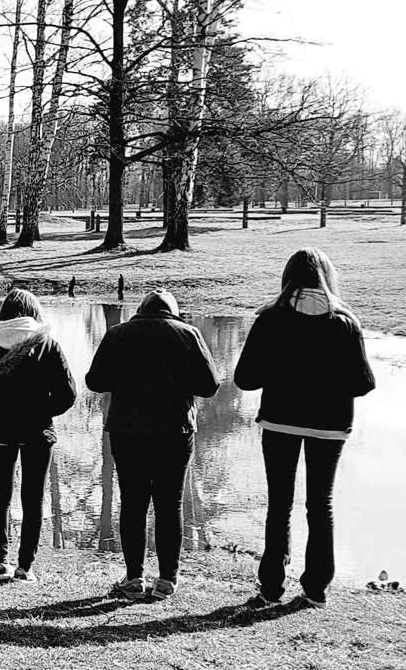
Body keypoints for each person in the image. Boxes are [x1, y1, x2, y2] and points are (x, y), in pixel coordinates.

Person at [233, 249, 376, 609]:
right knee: (320, 504)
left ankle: (270, 588)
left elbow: (245, 379)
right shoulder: (344, 321)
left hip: (280, 421)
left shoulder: (270, 319)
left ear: (288, 278)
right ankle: (315, 589)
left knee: (279, 504)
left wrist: (281, 372)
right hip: (329, 426)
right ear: (328, 277)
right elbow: (363, 383)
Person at [84, 289, 220, 600]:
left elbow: (95, 381)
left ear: (141, 310)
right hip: (175, 430)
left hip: (127, 429)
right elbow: (210, 386)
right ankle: (167, 579)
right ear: (172, 313)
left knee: (133, 502)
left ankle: (134, 577)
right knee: (169, 503)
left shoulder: (118, 334)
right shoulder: (189, 334)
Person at [0, 288, 78, 581]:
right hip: (38, 431)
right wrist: (41, 412)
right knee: (33, 498)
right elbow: (68, 393)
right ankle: (25, 567)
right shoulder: (46, 344)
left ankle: (0, 563)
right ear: (34, 312)